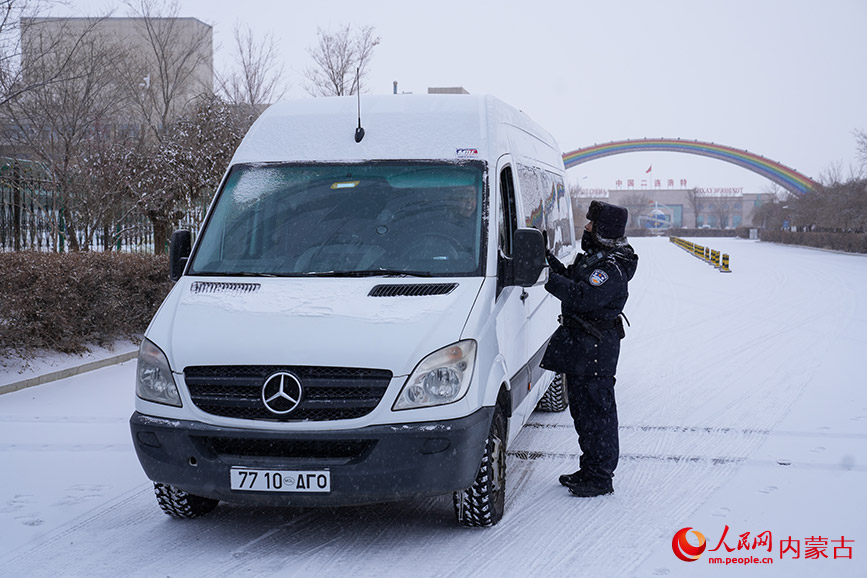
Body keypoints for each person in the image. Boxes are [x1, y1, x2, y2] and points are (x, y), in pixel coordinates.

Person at [540, 200, 639, 497]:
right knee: (583, 412)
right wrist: (544, 259)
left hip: (596, 348)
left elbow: (580, 295)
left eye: (591, 224)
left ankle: (600, 477)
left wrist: (545, 277)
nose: (586, 228)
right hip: (584, 346)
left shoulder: (611, 268)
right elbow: (572, 278)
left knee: (598, 413)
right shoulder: (596, 258)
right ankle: (590, 467)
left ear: (603, 230)